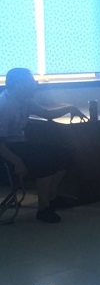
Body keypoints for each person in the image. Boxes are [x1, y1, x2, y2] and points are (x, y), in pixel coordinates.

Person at [0, 68, 86, 223]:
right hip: (7, 150)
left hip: (20, 144)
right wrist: (16, 161)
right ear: (18, 85)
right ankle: (43, 208)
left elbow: (47, 114)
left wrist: (70, 109)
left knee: (64, 154)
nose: (35, 85)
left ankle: (52, 198)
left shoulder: (25, 100)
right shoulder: (4, 106)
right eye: (31, 82)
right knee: (44, 160)